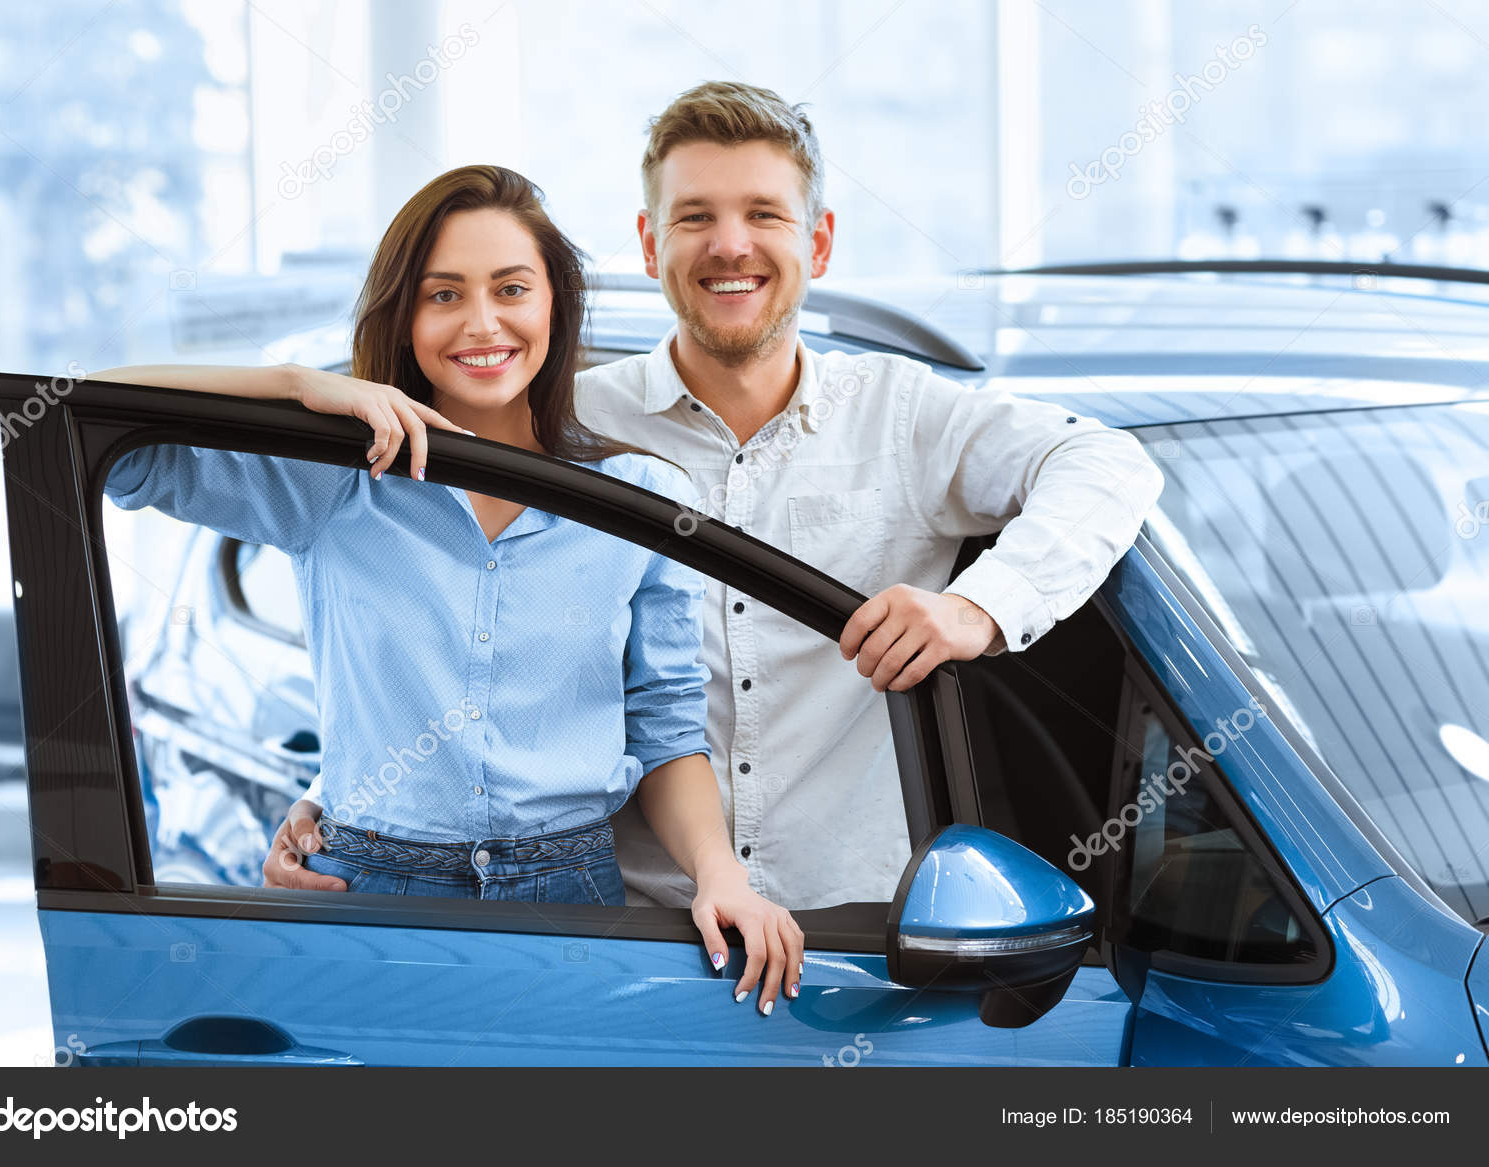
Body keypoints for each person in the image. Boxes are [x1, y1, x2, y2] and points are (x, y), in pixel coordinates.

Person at [267, 81, 1166, 915]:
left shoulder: (905, 417)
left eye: (763, 214)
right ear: (652, 242)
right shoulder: (562, 430)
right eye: (694, 217)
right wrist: (345, 799)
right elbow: (447, 603)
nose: (729, 245)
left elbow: (1106, 464)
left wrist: (978, 607)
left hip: (853, 931)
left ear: (817, 241)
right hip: (627, 927)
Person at [93, 164, 804, 1016]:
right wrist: (295, 385)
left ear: (553, 304)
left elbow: (666, 727)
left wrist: (721, 875)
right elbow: (106, 430)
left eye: (512, 288)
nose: (482, 323)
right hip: (372, 888)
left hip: (568, 894)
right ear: (405, 315)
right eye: (443, 295)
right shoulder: (335, 484)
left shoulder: (640, 501)